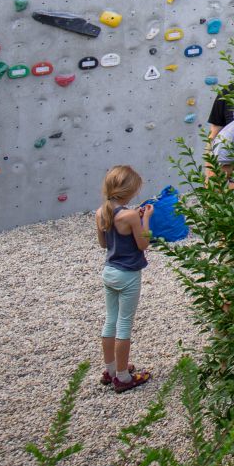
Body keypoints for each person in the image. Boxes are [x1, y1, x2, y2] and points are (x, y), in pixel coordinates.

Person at [96, 166, 153, 393]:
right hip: (128, 274)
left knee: (110, 320)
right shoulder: (129, 216)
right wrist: (145, 219)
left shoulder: (101, 212)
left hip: (109, 271)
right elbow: (144, 244)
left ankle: (110, 369)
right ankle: (123, 376)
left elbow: (103, 244)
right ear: (128, 191)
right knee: (124, 324)